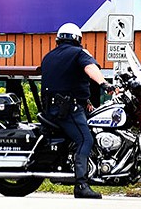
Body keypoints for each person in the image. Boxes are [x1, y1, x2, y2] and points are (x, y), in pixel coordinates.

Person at [40, 23, 115, 199]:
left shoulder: (48, 56)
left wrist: (85, 101)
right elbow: (90, 68)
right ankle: (81, 184)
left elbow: (65, 81)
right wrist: (104, 84)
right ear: (78, 39)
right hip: (67, 110)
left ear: (59, 39)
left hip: (52, 109)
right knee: (85, 139)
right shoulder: (79, 53)